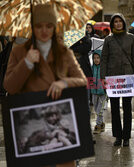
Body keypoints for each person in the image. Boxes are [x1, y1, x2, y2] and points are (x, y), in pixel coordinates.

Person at [3, 4, 87, 167]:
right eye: (39, 26)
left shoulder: (64, 52)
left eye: (49, 26)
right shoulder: (18, 52)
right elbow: (9, 87)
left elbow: (82, 81)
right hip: (34, 123)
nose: (44, 30)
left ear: (55, 27)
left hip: (59, 122)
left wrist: (63, 82)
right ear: (32, 27)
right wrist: (26, 63)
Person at [100, 13, 134, 147]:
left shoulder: (131, 38)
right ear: (112, 25)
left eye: (120, 21)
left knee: (127, 108)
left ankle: (126, 137)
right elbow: (104, 59)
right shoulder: (108, 40)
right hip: (113, 78)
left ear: (123, 23)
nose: (118, 23)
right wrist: (103, 78)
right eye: (115, 22)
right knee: (115, 109)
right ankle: (118, 136)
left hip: (128, 77)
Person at [90, 50, 106, 134]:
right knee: (96, 109)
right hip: (94, 92)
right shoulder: (92, 68)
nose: (96, 60)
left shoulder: (104, 68)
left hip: (102, 92)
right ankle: (102, 123)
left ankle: (98, 125)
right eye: (94, 58)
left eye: (98, 58)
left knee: (100, 110)